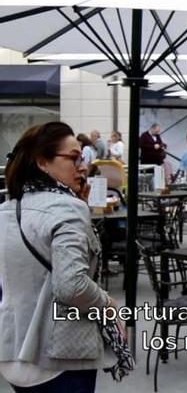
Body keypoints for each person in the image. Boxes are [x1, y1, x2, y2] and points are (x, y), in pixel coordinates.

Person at [0, 122, 127, 392]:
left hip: (13, 352)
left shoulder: (8, 210)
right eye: (73, 158)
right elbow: (72, 286)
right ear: (43, 163)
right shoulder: (68, 209)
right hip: (61, 355)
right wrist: (107, 303)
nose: (82, 166)